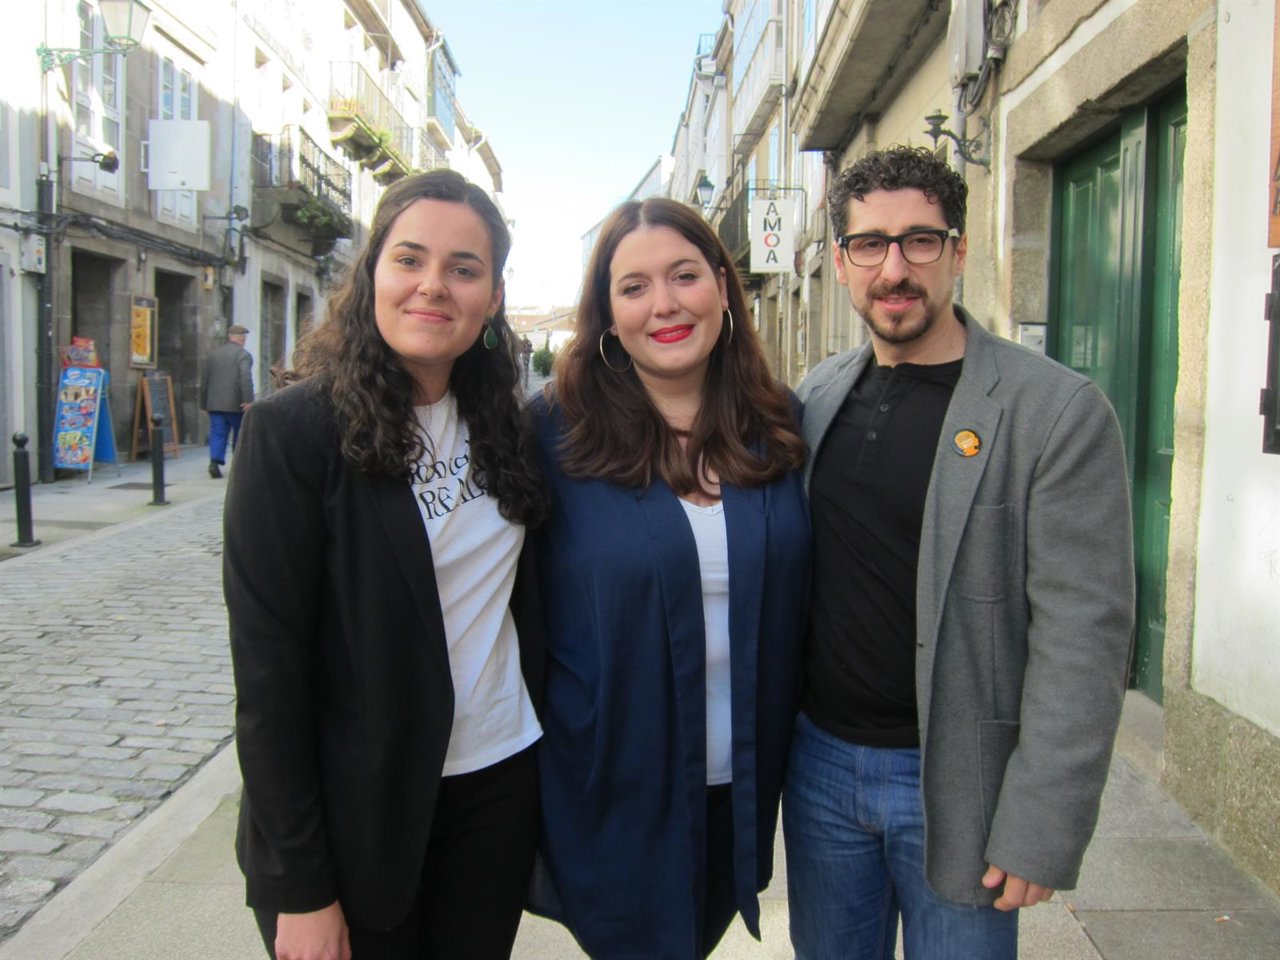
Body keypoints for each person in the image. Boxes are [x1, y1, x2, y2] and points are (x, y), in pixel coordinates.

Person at [785, 144, 1135, 959]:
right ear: (841, 262)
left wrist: (1044, 817)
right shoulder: (815, 396)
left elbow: (1085, 630)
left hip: (958, 782)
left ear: (959, 252)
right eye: (870, 243)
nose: (894, 268)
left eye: (921, 241)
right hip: (821, 771)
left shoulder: (1055, 411)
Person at [223, 169, 547, 960]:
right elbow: (268, 680)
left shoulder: (510, 424)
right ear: (372, 273)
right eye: (409, 259)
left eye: (463, 269)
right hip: (357, 813)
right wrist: (298, 883)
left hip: (495, 787)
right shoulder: (294, 435)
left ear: (494, 296)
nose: (433, 286)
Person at [528, 197, 811, 958]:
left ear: (722, 287)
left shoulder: (779, 428)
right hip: (611, 789)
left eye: (684, 276)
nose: (665, 304)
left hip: (737, 789)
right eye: (634, 287)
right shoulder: (550, 436)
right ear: (607, 314)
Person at [201, 323, 254, 478]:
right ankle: (238, 466)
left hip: (215, 404)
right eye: (243, 336)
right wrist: (248, 399)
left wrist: (204, 402)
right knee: (240, 433)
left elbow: (205, 380)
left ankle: (214, 462)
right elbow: (245, 377)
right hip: (235, 404)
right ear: (239, 338)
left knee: (217, 432)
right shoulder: (243, 355)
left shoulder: (213, 354)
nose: (244, 339)